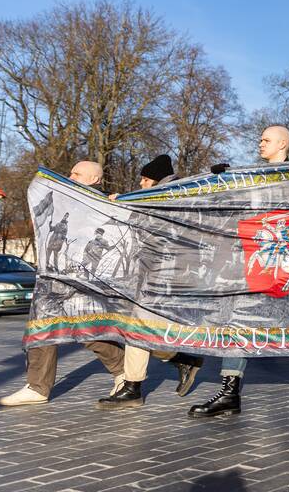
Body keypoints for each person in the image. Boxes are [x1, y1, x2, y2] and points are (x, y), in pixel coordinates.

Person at [189, 127, 289, 418]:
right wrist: (222, 181)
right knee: (238, 321)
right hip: (256, 263)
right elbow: (235, 209)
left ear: (282, 144)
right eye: (260, 139)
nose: (260, 144)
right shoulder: (252, 178)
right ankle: (230, 392)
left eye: (266, 140)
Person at [0, 161, 128, 407]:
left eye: (76, 174)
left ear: (93, 179)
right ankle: (37, 387)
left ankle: (124, 373)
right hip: (54, 275)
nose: (70, 176)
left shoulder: (105, 205)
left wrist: (116, 205)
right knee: (41, 326)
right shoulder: (64, 200)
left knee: (88, 330)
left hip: (84, 278)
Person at [99, 155, 205, 409]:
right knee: (143, 329)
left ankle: (133, 387)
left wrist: (122, 205)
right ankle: (182, 359)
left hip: (168, 276)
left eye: (145, 179)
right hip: (158, 274)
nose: (141, 184)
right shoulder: (167, 196)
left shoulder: (170, 197)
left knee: (137, 325)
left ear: (156, 179)